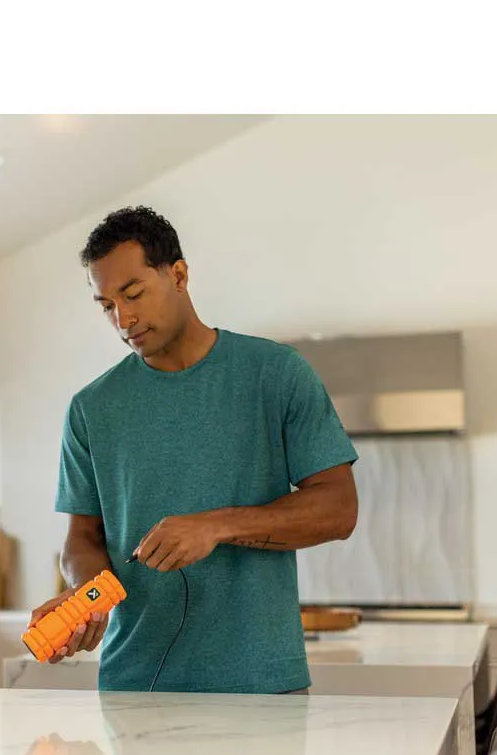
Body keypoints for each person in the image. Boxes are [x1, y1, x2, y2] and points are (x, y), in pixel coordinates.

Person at [28, 206, 359, 694]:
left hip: (263, 686)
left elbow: (339, 509)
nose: (123, 319)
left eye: (133, 294)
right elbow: (81, 538)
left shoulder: (276, 374)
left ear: (179, 275)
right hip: (134, 687)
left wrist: (216, 526)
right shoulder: (91, 408)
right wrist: (88, 595)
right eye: (106, 306)